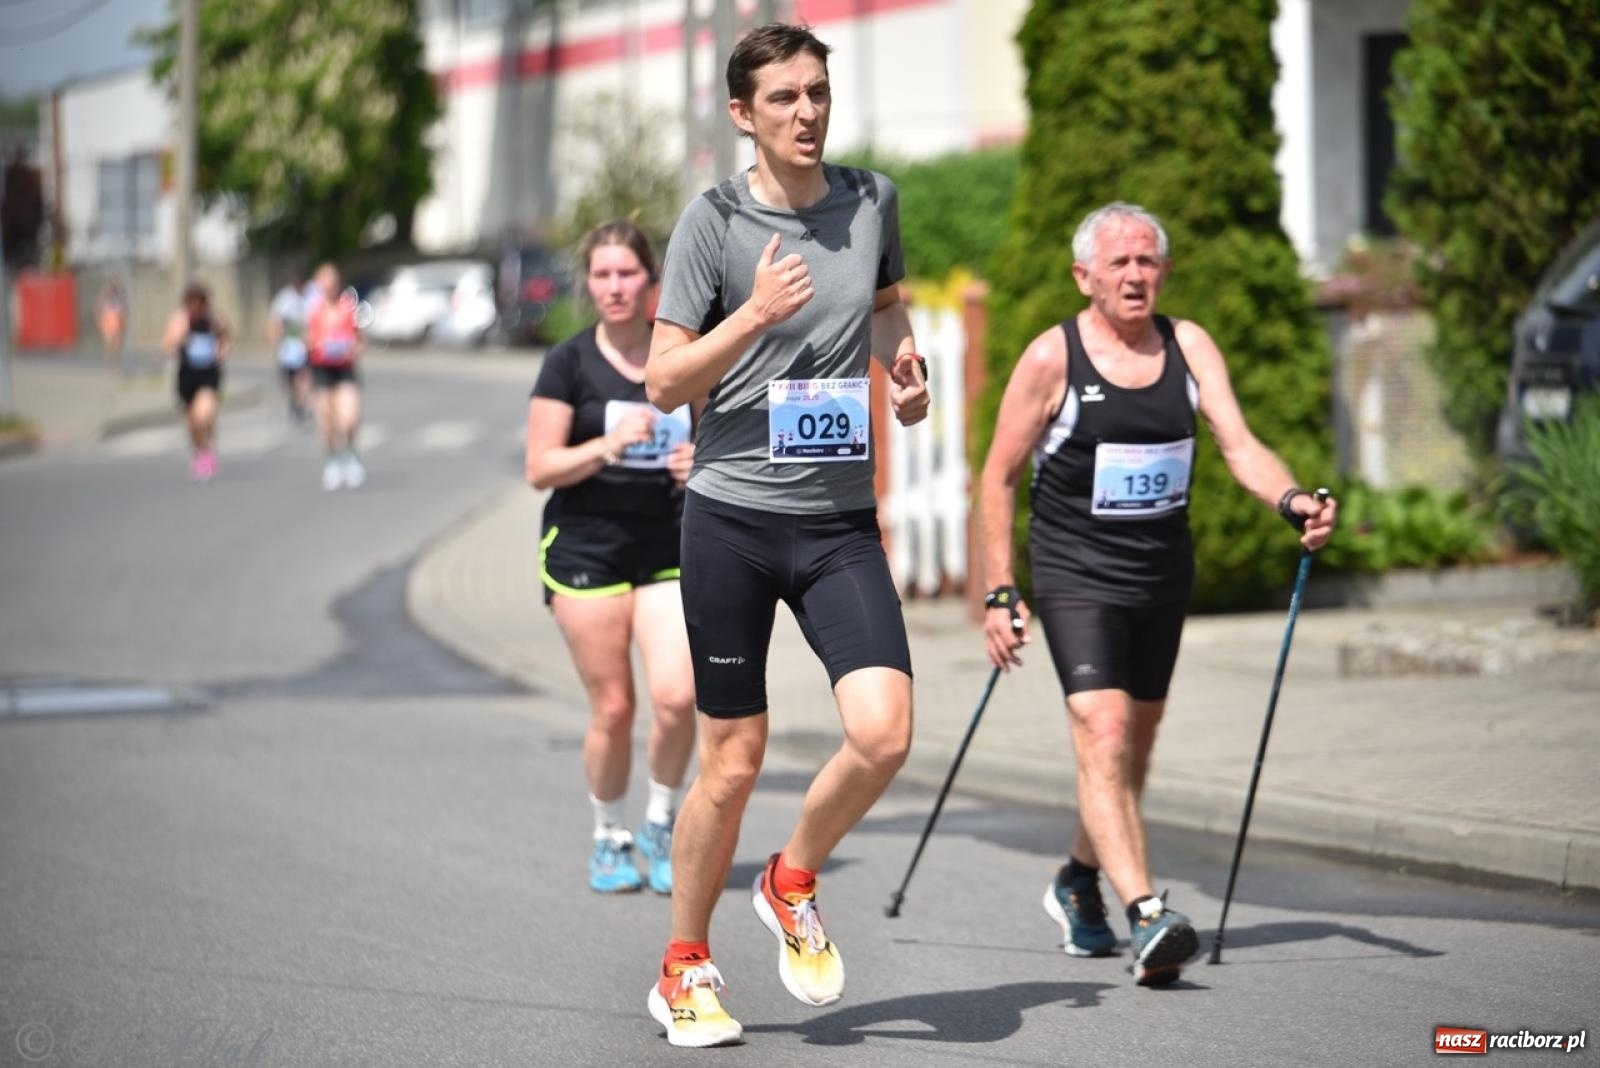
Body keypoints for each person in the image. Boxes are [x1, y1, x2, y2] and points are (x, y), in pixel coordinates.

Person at [642, 22, 930, 1049]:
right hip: (732, 515)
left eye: (816, 92)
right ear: (742, 115)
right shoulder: (711, 223)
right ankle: (684, 967)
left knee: (885, 732)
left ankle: (791, 876)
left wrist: (905, 366)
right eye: (783, 99)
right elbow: (664, 379)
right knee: (731, 760)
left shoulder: (872, 201)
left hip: (838, 520)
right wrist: (753, 313)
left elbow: (888, 307)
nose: (806, 112)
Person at [976, 202, 1338, 987]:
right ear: (1084, 277)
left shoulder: (1189, 345)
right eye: (1119, 264)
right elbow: (998, 478)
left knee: (1132, 744)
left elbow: (1239, 446)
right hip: (1076, 573)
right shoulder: (1052, 358)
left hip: (1160, 573)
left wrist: (1292, 503)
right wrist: (1000, 590)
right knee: (1102, 731)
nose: (1136, 275)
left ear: (1164, 272)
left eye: (1148, 262)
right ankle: (1146, 913)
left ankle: (1078, 878)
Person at [524, 220, 697, 897]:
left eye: (628, 273)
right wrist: (606, 446)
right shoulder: (568, 363)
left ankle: (659, 822)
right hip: (586, 549)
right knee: (616, 708)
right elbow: (540, 467)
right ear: (588, 282)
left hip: (668, 543)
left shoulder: (679, 355)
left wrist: (697, 462)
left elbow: (717, 435)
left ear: (652, 281)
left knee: (678, 697)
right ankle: (608, 834)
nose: (615, 287)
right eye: (602, 275)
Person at [305, 263, 366, 490]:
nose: (329, 286)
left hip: (345, 369)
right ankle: (333, 462)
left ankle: (350, 456)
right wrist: (317, 344)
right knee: (327, 420)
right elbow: (307, 340)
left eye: (332, 281)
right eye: (324, 282)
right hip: (322, 369)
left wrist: (351, 349)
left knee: (349, 417)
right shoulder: (315, 311)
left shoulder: (348, 308)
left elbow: (360, 340)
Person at [160, 283, 229, 481]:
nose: (197, 308)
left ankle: (207, 453)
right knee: (191, 423)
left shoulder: (215, 319)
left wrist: (222, 350)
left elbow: (226, 338)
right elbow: (166, 345)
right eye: (193, 304)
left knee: (205, 414)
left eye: (200, 304)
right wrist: (180, 339)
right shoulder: (179, 320)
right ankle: (199, 452)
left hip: (208, 373)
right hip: (187, 374)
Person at [267, 271, 312, 422]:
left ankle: (303, 404)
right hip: (288, 345)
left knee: (303, 376)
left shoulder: (310, 295)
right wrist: (275, 339)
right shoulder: (285, 298)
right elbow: (276, 320)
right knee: (290, 379)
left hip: (304, 344)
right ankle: (294, 402)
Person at [97, 278, 128, 372]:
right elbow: (99, 306)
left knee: (117, 344)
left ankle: (115, 363)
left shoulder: (121, 296)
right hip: (108, 321)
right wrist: (100, 320)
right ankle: (111, 363)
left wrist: (124, 322)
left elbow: (125, 310)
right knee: (110, 343)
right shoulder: (105, 296)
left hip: (118, 321)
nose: (114, 287)